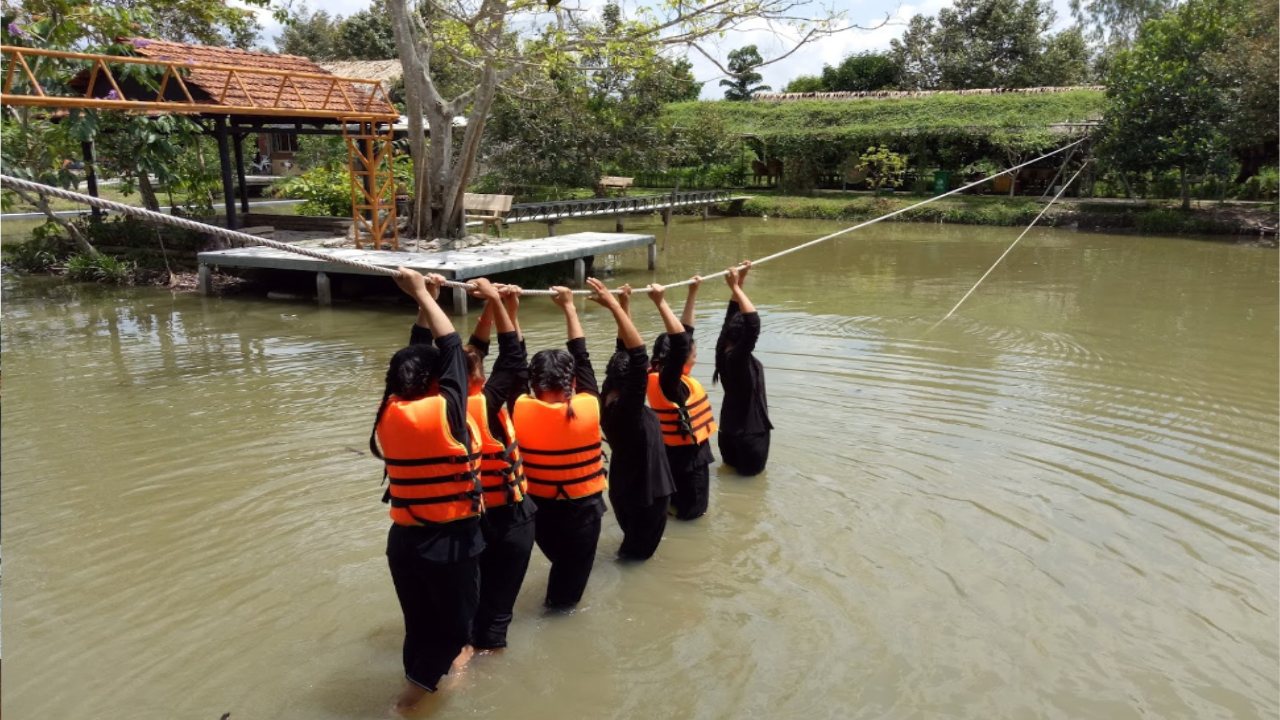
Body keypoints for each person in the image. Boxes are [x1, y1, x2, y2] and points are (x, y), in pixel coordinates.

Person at [369, 268, 484, 713]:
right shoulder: (448, 411)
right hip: (449, 542)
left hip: (404, 541)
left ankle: (417, 676)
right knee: (457, 628)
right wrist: (422, 292)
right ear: (434, 383)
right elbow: (453, 348)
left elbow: (422, 355)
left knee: (418, 623)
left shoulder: (389, 409)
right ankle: (411, 698)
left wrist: (424, 301)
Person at [419, 279, 535, 652]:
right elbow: (513, 357)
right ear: (481, 377)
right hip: (510, 520)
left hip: (467, 521)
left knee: (470, 602)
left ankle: (463, 654)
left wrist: (496, 305)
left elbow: (476, 352)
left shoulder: (439, 405)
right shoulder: (488, 402)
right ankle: (489, 657)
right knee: (497, 611)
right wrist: (498, 303)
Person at [513, 286, 607, 609]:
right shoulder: (589, 406)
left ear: (532, 384)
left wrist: (510, 311)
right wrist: (569, 307)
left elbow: (514, 361)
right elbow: (582, 356)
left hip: (539, 512)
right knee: (565, 599)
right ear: (573, 384)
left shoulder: (519, 408)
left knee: (560, 570)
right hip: (583, 514)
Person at [587, 278, 675, 560]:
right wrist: (614, 305)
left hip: (625, 491)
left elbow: (626, 352)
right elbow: (637, 358)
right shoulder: (628, 411)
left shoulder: (607, 398)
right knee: (635, 557)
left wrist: (623, 305)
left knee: (632, 547)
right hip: (647, 497)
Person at [646, 278, 716, 520]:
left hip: (673, 455)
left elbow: (684, 335)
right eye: (694, 355)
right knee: (693, 515)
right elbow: (681, 343)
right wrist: (660, 302)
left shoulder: (658, 374)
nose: (695, 359)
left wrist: (692, 293)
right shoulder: (670, 383)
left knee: (675, 509)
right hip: (689, 462)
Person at [715, 261, 772, 476]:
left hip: (728, 432)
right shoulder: (739, 358)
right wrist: (736, 287)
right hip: (751, 436)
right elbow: (753, 324)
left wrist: (740, 280)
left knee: (730, 477)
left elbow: (732, 314)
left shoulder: (722, 350)